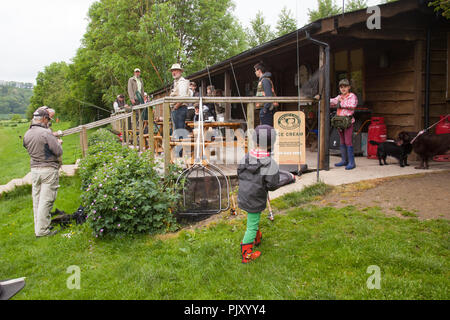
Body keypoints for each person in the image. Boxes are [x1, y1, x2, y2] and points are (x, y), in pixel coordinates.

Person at [237, 125, 280, 263]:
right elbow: (272, 184)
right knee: (251, 226)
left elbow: (239, 173)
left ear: (255, 140)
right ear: (271, 143)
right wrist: (265, 186)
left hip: (244, 194)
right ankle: (246, 254)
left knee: (252, 219)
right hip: (255, 198)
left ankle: (257, 237)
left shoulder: (246, 157)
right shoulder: (270, 163)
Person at [23, 107, 63, 237]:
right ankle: (43, 231)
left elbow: (26, 146)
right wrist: (59, 142)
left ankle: (39, 227)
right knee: (46, 200)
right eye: (48, 119)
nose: (48, 122)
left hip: (34, 170)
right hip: (48, 170)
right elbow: (58, 151)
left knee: (37, 200)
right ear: (44, 119)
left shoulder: (27, 133)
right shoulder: (46, 133)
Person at [330, 79, 358, 170]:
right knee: (342, 141)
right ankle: (344, 160)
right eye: (341, 87)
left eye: (345, 86)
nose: (343, 88)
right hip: (340, 121)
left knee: (348, 141)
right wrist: (322, 98)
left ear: (349, 87)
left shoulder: (352, 96)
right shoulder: (339, 97)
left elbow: (352, 105)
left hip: (348, 121)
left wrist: (340, 103)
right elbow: (332, 101)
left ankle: (351, 162)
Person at [254, 62, 276, 126]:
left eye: (255, 70)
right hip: (265, 109)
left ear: (259, 71)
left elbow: (269, 96)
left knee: (266, 130)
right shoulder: (263, 80)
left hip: (267, 109)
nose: (255, 72)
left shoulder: (265, 80)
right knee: (265, 130)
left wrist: (265, 109)